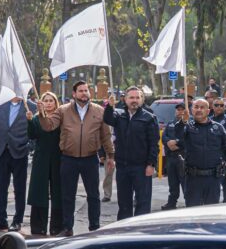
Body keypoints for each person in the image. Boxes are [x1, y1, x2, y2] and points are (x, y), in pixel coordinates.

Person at [38, 81, 113, 236]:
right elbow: (48, 126)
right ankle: (67, 228)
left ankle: (94, 227)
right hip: (68, 159)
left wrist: (110, 156)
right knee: (67, 196)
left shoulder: (99, 111)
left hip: (90, 159)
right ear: (74, 94)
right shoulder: (63, 110)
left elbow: (105, 136)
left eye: (86, 90)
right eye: (80, 90)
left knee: (93, 195)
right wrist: (42, 114)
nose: (84, 93)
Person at [103, 87, 159, 219]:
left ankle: (140, 231)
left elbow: (154, 143)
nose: (134, 101)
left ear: (142, 100)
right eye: (131, 98)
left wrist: (151, 164)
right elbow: (108, 119)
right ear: (125, 99)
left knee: (143, 201)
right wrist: (110, 106)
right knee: (124, 202)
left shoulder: (149, 118)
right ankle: (124, 230)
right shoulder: (119, 115)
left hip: (141, 167)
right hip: (123, 166)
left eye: (137, 98)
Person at [0, 94, 34, 232]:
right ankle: (1, 220)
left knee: (19, 189)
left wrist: (29, 146)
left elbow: (37, 127)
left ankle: (17, 220)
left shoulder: (31, 106)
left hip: (20, 152)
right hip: (0, 151)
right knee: (0, 188)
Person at [178, 98, 226, 206]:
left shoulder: (218, 128)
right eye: (196, 107)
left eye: (202, 107)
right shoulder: (187, 127)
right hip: (193, 178)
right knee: (193, 212)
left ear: (208, 111)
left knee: (211, 211)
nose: (199, 110)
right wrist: (183, 122)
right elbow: (177, 135)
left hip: (213, 178)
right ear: (191, 110)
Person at [27, 92, 64, 237]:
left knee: (58, 193)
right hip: (41, 159)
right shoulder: (36, 118)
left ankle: (57, 227)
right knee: (39, 192)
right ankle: (38, 228)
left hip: (58, 158)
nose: (49, 103)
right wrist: (29, 121)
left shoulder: (61, 118)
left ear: (56, 103)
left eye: (51, 100)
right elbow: (31, 135)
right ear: (41, 103)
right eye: (46, 100)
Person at [161, 103, 189, 210]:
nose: (180, 111)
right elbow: (164, 137)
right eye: (178, 110)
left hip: (182, 157)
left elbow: (187, 139)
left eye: (182, 110)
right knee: (172, 183)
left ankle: (189, 202)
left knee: (185, 182)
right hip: (171, 158)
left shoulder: (189, 124)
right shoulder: (170, 123)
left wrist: (176, 144)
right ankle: (171, 203)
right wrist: (168, 143)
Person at [211, 98, 226, 202]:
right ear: (212, 106)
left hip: (223, 157)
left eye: (222, 105)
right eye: (217, 105)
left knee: (225, 184)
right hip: (211, 156)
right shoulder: (209, 119)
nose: (219, 107)